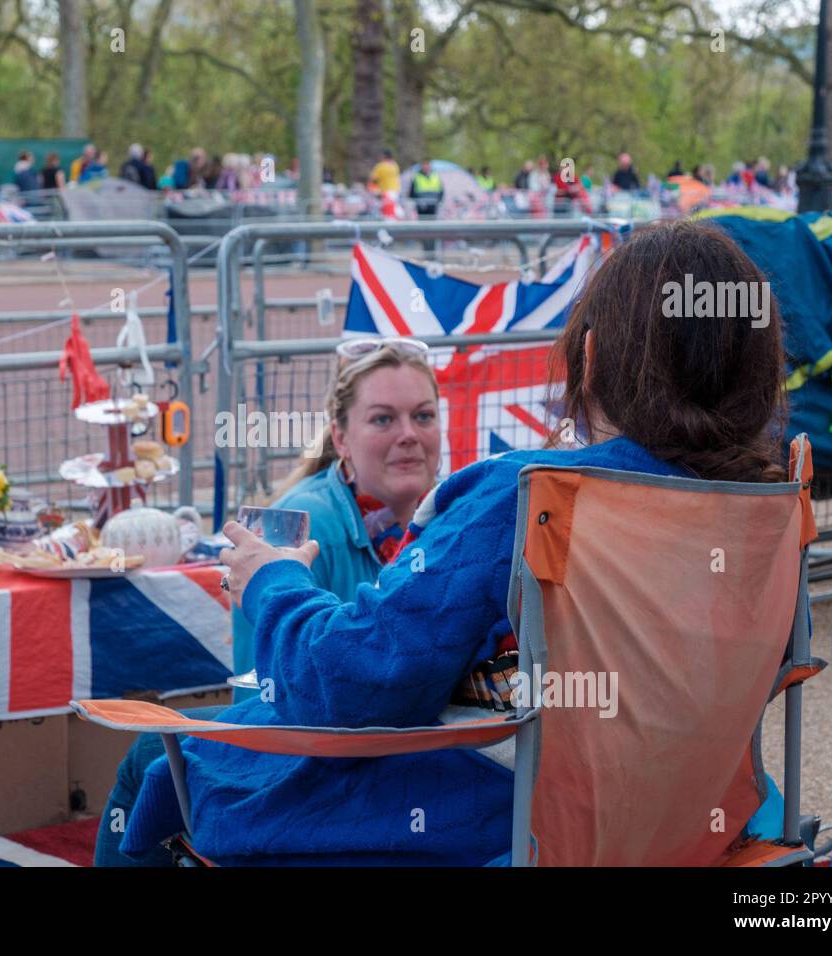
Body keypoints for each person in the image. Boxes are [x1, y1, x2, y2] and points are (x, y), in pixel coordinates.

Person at [115, 219, 794, 866]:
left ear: (589, 358)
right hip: (673, 820)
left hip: (506, 822)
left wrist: (272, 581)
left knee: (154, 760)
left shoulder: (533, 497)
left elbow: (350, 687)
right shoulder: (768, 509)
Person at [96, 340, 444, 866]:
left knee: (150, 754)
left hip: (390, 750)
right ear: (340, 439)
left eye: (423, 415)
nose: (409, 436)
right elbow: (268, 687)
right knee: (151, 754)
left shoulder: (441, 521)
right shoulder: (300, 524)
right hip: (339, 740)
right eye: (383, 420)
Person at [409, 158, 443, 252]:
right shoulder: (416, 177)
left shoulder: (435, 176)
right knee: (424, 230)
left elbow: (441, 191)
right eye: (424, 165)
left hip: (432, 208)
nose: (426, 167)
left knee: (432, 230)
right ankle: (426, 250)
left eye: (427, 165)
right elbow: (411, 193)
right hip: (422, 208)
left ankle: (432, 251)